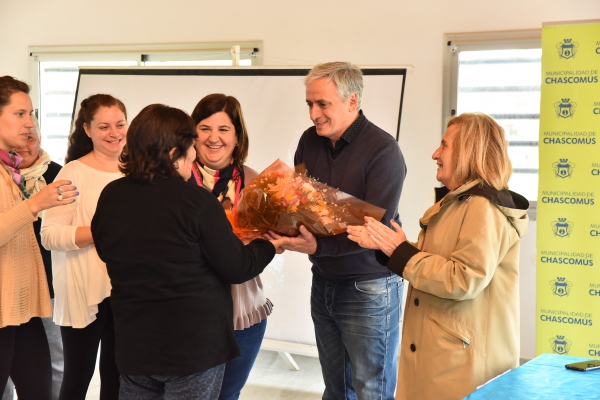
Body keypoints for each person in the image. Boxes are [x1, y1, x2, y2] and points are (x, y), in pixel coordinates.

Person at [90, 103, 284, 399]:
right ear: (172, 153)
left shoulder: (111, 195)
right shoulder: (195, 200)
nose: (194, 152)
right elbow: (237, 266)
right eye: (189, 145)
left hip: (134, 343)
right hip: (192, 349)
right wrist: (269, 244)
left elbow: (105, 251)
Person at [347, 112, 529, 400]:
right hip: (444, 356)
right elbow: (436, 260)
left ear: (469, 151)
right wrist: (389, 248)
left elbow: (464, 279)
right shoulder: (458, 201)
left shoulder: (483, 208)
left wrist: (400, 251)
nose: (435, 154)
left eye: (444, 146)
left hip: (461, 364)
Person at [266, 61, 407, 400]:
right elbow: (298, 205)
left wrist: (318, 246)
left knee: (371, 390)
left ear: (352, 102)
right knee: (336, 389)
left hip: (369, 287)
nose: (314, 114)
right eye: (310, 104)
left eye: (322, 104)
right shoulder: (309, 141)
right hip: (325, 281)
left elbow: (373, 231)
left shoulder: (384, 151)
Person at [41, 94, 127, 400]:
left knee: (117, 379)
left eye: (119, 124)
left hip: (126, 288)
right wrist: (99, 233)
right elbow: (49, 236)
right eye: (104, 126)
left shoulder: (136, 171)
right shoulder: (72, 172)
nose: (114, 133)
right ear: (87, 129)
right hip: (81, 289)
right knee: (77, 378)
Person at [189, 93, 272, 400]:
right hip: (189, 313)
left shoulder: (257, 182)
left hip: (243, 311)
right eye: (205, 128)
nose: (214, 138)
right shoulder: (175, 179)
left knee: (227, 395)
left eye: (224, 129)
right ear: (192, 134)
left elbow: (272, 243)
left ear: (237, 136)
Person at [0, 75, 77, 400]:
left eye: (30, 114)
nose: (28, 124)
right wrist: (35, 204)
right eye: (20, 114)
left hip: (23, 307)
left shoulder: (13, 170)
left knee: (41, 391)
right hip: (4, 309)